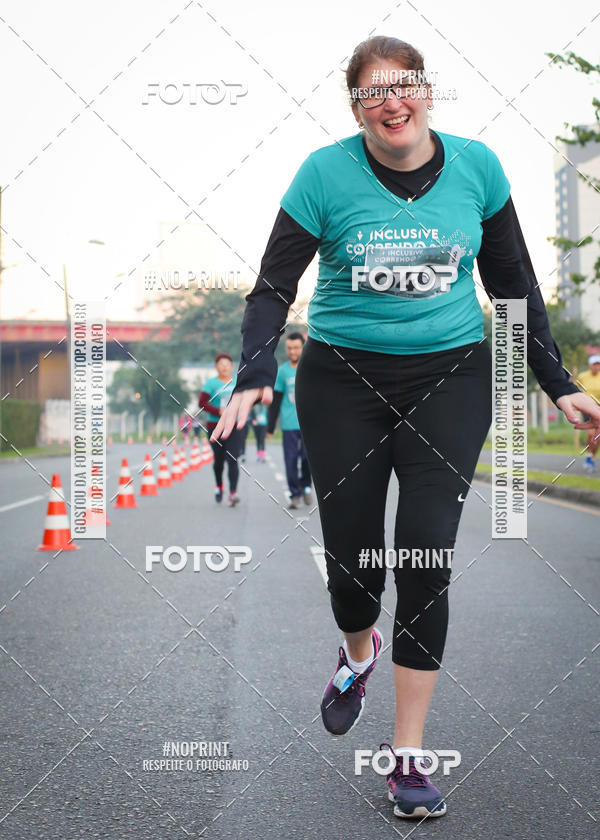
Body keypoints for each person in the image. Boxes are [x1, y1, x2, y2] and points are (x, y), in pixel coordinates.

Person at [210, 36, 600, 820]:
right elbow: (271, 288)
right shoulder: (323, 174)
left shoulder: (478, 168)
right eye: (372, 93)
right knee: (356, 566)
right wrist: (255, 375)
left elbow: (514, 283)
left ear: (428, 92)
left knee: (425, 554)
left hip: (450, 378)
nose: (392, 102)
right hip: (341, 381)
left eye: (406, 86)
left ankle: (409, 757)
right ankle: (358, 652)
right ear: (355, 107)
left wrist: (559, 385)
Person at [267, 332, 313, 509]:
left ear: (303, 348)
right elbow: (276, 401)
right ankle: (295, 494)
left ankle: (306, 486)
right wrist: (270, 428)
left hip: (309, 425)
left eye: (296, 348)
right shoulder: (283, 371)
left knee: (307, 458)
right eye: (289, 348)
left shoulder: (310, 369)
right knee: (291, 460)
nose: (292, 351)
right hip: (289, 424)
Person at [199, 353, 242, 506]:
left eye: (227, 364)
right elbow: (202, 403)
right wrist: (219, 411)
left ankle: (233, 492)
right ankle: (219, 486)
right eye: (221, 364)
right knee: (219, 461)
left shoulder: (238, 382)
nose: (224, 366)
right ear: (216, 367)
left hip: (233, 427)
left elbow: (245, 401)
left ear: (232, 366)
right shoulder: (211, 384)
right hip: (214, 426)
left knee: (232, 459)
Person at [575, 354, 600, 471]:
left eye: (598, 364)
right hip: (587, 407)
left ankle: (591, 457)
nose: (597, 367)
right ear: (590, 365)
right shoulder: (583, 376)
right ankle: (589, 457)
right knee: (591, 434)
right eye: (595, 364)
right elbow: (575, 388)